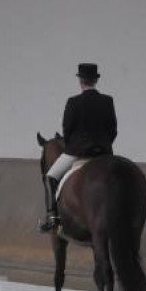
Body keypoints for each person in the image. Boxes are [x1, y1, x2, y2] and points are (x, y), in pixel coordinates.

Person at [38, 63, 117, 233]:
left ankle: (52, 217)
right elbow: (113, 130)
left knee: (50, 177)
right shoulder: (107, 101)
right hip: (104, 154)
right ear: (96, 80)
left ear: (81, 81)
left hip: (78, 152)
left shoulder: (73, 102)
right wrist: (103, 146)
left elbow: (67, 129)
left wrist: (75, 144)